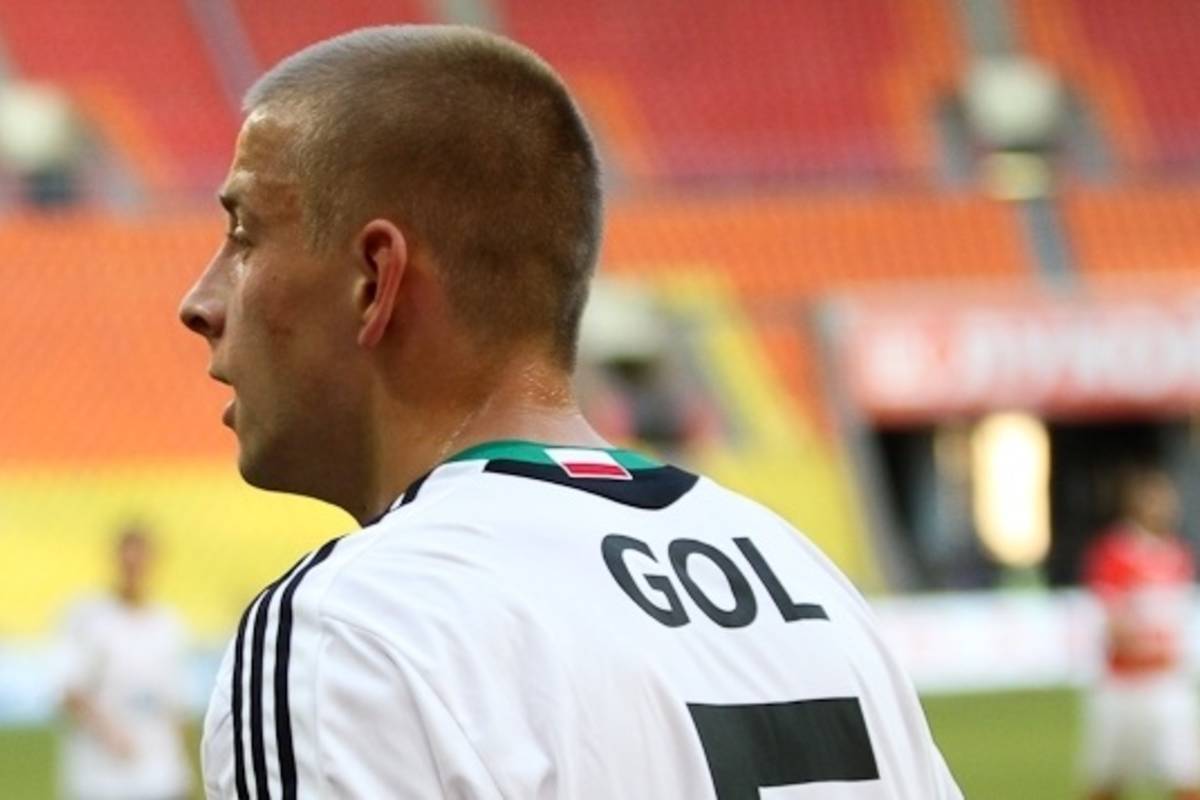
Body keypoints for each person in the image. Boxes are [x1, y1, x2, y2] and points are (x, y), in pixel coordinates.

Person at [179, 25, 960, 799]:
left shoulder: (349, 634)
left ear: (375, 280)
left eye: (244, 237)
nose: (199, 303)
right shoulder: (806, 579)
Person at [1081, 468, 1200, 800]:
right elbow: (1111, 619)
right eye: (1154, 499)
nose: (1163, 507)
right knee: (1107, 780)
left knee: (1186, 775)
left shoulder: (1178, 554)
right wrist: (1141, 642)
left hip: (1165, 682)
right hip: (1124, 684)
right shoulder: (1116, 551)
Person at [57, 523, 192, 800]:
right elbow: (70, 691)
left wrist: (185, 768)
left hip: (159, 773)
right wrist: (110, 734)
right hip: (102, 778)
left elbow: (176, 705)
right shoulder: (89, 617)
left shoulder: (168, 623)